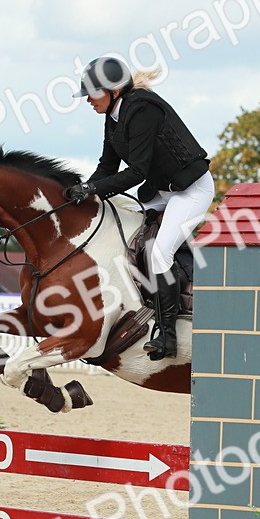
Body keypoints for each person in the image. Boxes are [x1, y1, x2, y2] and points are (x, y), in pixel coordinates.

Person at [63, 56, 214, 361]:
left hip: (190, 191)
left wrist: (93, 190)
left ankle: (167, 334)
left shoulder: (142, 109)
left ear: (114, 91)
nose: (89, 101)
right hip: (160, 191)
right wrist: (84, 196)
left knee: (160, 252)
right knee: (122, 232)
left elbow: (137, 171)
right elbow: (107, 166)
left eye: (92, 94)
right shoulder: (113, 114)